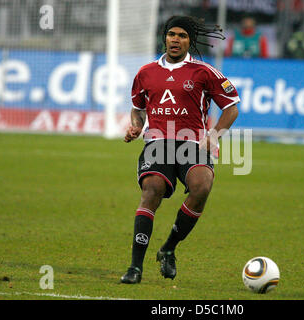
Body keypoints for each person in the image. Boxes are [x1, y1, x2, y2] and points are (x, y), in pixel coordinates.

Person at [120, 15, 240, 284]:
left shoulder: (204, 72)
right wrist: (135, 126)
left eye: (182, 36)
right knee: (152, 190)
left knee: (202, 186)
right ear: (165, 37)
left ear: (189, 41)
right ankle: (135, 268)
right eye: (172, 34)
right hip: (158, 142)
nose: (176, 39)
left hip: (193, 142)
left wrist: (214, 135)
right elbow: (137, 108)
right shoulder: (145, 73)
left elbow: (231, 107)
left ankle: (169, 248)